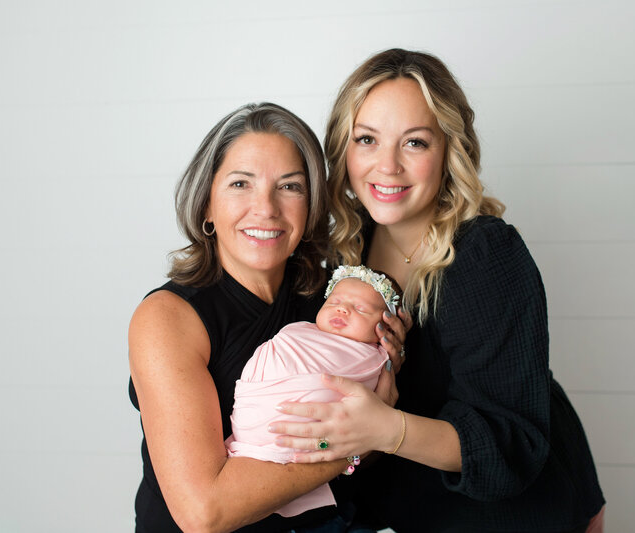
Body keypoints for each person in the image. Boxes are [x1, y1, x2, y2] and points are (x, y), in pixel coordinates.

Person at [268, 49, 606, 532]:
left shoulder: (487, 255)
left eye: (414, 143)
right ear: (343, 149)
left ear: (450, 150)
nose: (387, 167)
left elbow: (511, 441)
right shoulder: (345, 247)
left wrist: (385, 428)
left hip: (508, 510)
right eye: (367, 139)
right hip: (406, 506)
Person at [127, 102, 409, 533]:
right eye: (241, 183)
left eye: (290, 187)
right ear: (206, 205)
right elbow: (206, 511)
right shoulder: (167, 319)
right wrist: (365, 435)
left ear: (311, 205)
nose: (267, 209)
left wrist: (384, 370)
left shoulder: (331, 300)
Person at [227, 265, 401, 519]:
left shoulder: (371, 359)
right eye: (335, 301)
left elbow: (362, 408)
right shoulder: (298, 331)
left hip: (301, 443)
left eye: (361, 308)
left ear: (384, 329)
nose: (343, 309)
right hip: (255, 412)